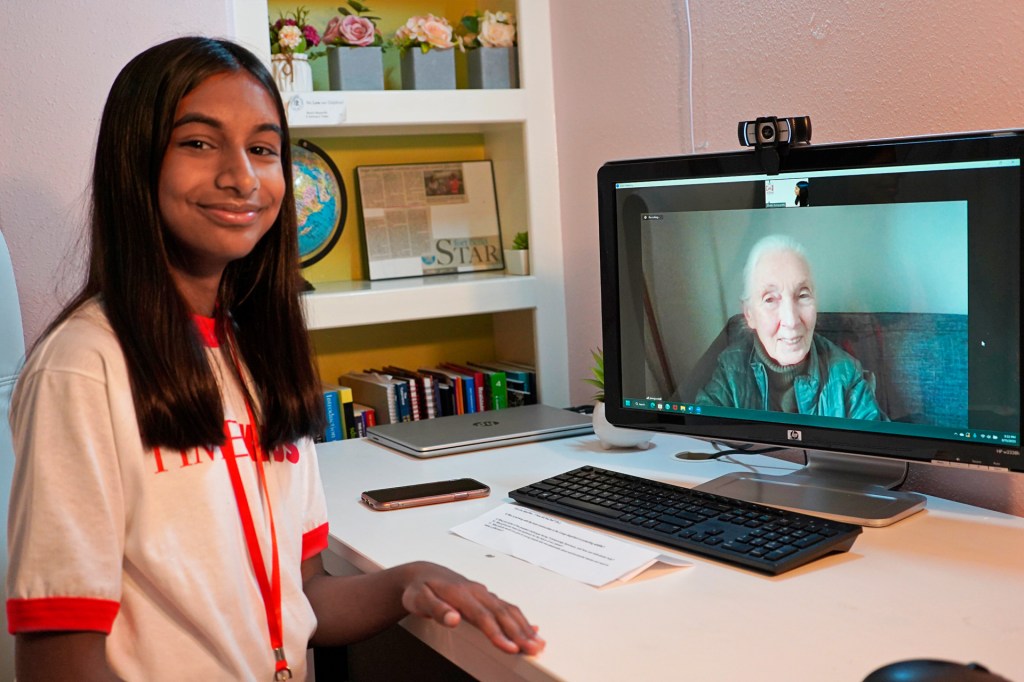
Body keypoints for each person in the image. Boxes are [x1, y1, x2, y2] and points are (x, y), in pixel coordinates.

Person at [5, 37, 544, 681]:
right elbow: (58, 660)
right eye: (199, 143)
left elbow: (305, 597)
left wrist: (409, 580)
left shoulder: (256, 354)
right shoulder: (83, 366)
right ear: (135, 164)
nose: (242, 177)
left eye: (263, 149)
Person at [695, 234, 884, 420]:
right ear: (749, 314)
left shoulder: (846, 373)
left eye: (802, 295)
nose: (792, 320)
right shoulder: (730, 371)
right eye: (770, 299)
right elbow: (698, 436)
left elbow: (878, 443)